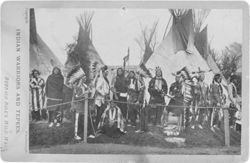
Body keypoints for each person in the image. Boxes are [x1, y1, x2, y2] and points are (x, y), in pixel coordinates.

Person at [94, 65, 110, 130]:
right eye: (105, 72)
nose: (106, 73)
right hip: (100, 99)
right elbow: (97, 88)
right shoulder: (101, 79)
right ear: (102, 72)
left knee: (102, 113)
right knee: (99, 113)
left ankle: (100, 126)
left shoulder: (105, 79)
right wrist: (103, 94)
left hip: (104, 98)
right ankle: (96, 127)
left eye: (107, 72)